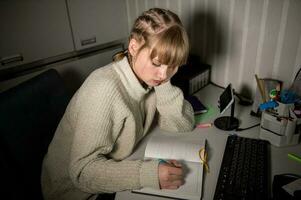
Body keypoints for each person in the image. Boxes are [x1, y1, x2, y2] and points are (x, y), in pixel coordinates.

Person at [41, 7, 195, 200]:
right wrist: (149, 174)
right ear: (133, 47)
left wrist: (163, 83)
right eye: (156, 63)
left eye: (173, 65)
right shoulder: (104, 90)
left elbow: (181, 124)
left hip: (117, 164)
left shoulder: (150, 79)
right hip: (74, 192)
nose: (164, 74)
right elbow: (82, 172)